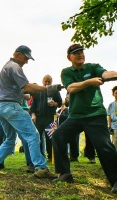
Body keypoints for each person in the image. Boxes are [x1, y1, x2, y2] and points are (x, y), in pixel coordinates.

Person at [51, 43, 117, 194]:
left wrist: (113, 75)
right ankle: (65, 174)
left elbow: (106, 74)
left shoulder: (93, 67)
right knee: (58, 136)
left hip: (95, 115)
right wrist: (90, 82)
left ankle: (115, 180)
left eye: (81, 52)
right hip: (75, 117)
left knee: (104, 146)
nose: (80, 54)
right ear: (69, 57)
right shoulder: (67, 72)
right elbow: (71, 88)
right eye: (76, 53)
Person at [0, 45, 56, 178]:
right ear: (17, 54)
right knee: (33, 135)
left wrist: (40, 88)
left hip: (1, 107)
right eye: (26, 57)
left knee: (10, 140)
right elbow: (27, 86)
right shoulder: (14, 67)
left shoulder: (7, 67)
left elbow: (25, 91)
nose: (26, 61)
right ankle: (41, 168)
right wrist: (48, 89)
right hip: (11, 107)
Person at [30, 75, 62, 161]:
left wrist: (54, 103)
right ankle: (40, 156)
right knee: (38, 138)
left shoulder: (55, 91)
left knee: (51, 138)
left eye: (49, 81)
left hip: (51, 118)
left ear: (51, 82)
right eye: (45, 81)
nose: (47, 83)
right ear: (42, 81)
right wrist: (33, 115)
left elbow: (59, 103)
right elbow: (33, 106)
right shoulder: (38, 92)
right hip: (39, 118)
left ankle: (51, 157)